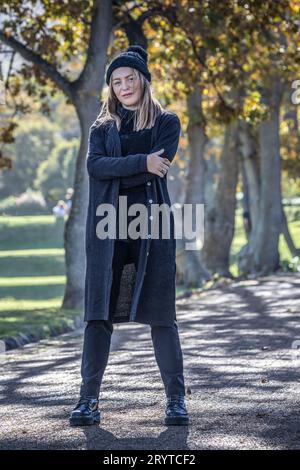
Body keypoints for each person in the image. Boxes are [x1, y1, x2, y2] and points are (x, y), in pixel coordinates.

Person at [69, 45, 189, 427]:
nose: (123, 86)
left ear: (143, 80)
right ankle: (88, 400)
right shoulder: (102, 127)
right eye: (117, 81)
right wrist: (141, 162)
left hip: (152, 226)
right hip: (108, 226)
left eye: (129, 78)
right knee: (98, 314)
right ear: (111, 87)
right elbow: (95, 167)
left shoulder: (167, 122)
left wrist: (121, 169)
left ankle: (175, 401)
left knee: (161, 314)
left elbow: (159, 167)